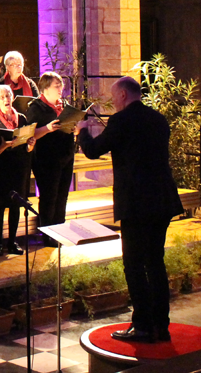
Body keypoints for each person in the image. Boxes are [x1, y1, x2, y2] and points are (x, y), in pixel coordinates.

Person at [77, 76, 183, 343]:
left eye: (114, 97)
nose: (113, 102)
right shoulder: (158, 119)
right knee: (156, 262)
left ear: (123, 95)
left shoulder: (121, 121)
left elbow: (93, 150)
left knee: (134, 264)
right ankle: (161, 325)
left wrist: (82, 130)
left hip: (136, 203)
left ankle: (143, 326)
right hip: (161, 200)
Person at [24, 72, 74, 246]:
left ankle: (59, 231)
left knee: (62, 196)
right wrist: (47, 128)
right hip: (46, 158)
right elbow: (30, 135)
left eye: (61, 85)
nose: (61, 89)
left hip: (65, 156)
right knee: (49, 197)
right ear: (45, 88)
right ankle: (47, 233)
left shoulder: (65, 104)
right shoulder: (36, 107)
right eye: (57, 86)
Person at [0, 84, 36, 256]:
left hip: (19, 167)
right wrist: (4, 145)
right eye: (1, 97)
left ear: (13, 97)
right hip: (1, 168)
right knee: (0, 206)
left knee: (16, 205)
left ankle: (12, 242)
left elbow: (28, 146)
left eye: (8, 96)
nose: (5, 100)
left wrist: (30, 144)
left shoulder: (22, 118)